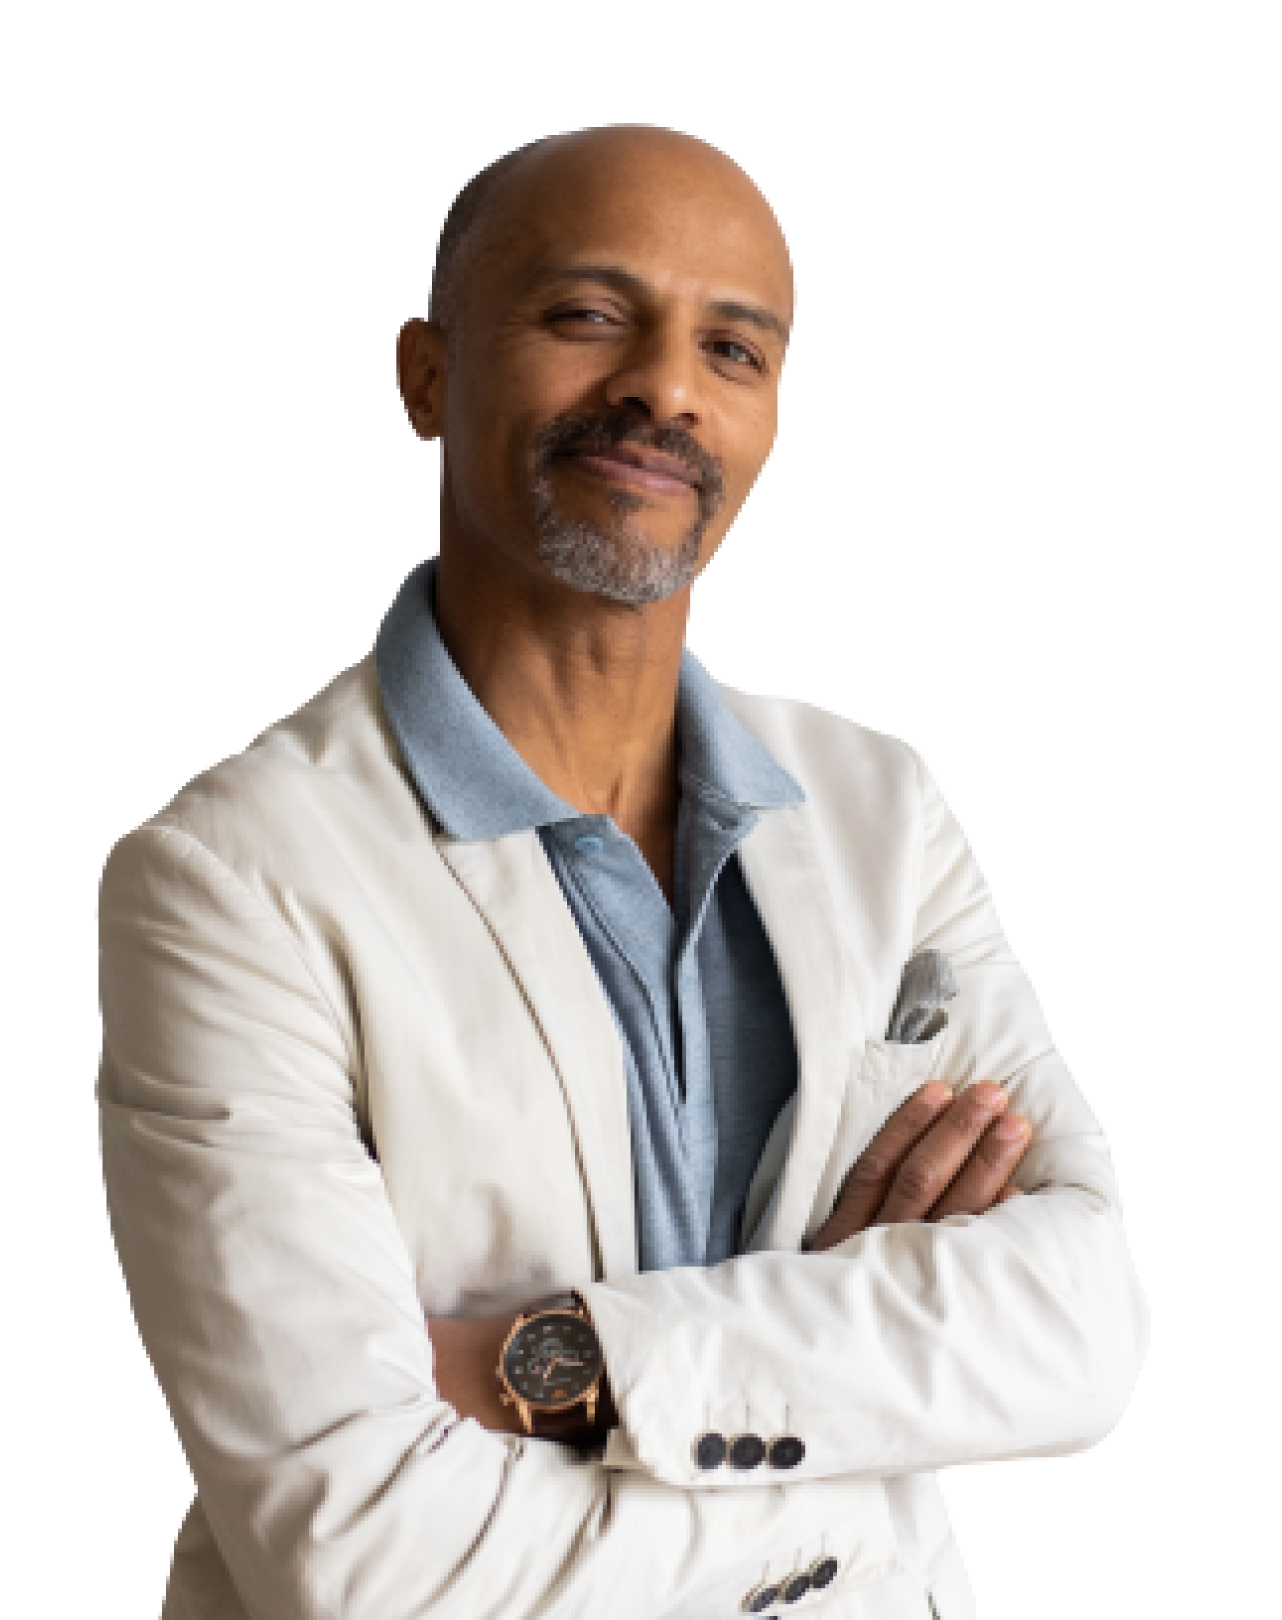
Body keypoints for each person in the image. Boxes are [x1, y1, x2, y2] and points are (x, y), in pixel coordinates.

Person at [97, 124, 1154, 1619]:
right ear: (425, 377)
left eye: (732, 348)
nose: (665, 389)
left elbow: (1083, 1327)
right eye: (588, 315)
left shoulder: (878, 808)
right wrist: (859, 1460)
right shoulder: (230, 880)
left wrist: (561, 1363)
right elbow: (360, 1555)